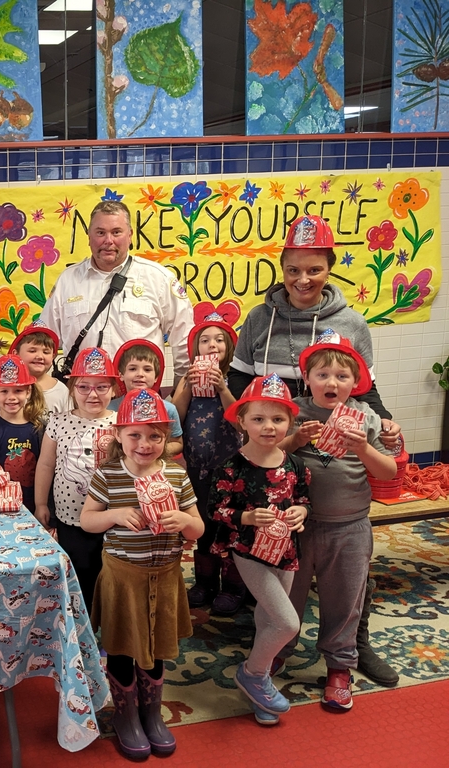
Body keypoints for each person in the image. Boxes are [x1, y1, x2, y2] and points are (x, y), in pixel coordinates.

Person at [228, 214, 401, 686]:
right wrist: (252, 437)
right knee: (282, 567)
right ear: (281, 268)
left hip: (342, 500)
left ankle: (350, 649)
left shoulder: (351, 322)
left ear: (330, 268)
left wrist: (382, 424)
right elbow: (240, 381)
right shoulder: (261, 318)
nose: (303, 280)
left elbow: (365, 390)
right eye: (293, 269)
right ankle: (273, 644)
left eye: (315, 269)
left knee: (347, 577)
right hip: (276, 456)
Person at [277, 332, 397, 710]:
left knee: (345, 600)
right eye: (323, 374)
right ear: (307, 377)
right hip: (297, 525)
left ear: (356, 382)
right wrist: (294, 441)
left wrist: (362, 446)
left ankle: (340, 666)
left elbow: (389, 470)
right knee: (285, 598)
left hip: (350, 526)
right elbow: (264, 455)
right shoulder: (293, 410)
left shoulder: (366, 416)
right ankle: (275, 651)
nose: (332, 383)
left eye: (342, 376)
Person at [79, 387, 201, 759]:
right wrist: (114, 515)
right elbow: (87, 520)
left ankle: (151, 714)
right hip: (122, 577)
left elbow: (198, 529)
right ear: (118, 434)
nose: (145, 444)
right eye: (135, 434)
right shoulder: (109, 475)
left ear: (166, 439)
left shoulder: (176, 476)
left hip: (165, 576)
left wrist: (183, 520)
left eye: (155, 436)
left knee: (156, 647)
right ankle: (126, 715)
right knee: (121, 646)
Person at [209, 374, 310, 726]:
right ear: (242, 421)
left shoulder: (294, 464)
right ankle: (252, 673)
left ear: (289, 422)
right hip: (249, 553)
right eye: (259, 419)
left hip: (286, 552)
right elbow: (217, 510)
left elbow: (301, 498)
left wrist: (302, 511)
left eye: (278, 419)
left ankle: (259, 688)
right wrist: (248, 516)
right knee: (287, 622)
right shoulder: (232, 467)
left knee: (268, 619)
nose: (269, 426)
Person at [41, 200, 195, 382]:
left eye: (116, 232)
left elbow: (184, 340)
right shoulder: (67, 281)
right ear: (89, 236)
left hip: (139, 398)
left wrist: (180, 392)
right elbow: (43, 340)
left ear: (130, 235)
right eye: (100, 233)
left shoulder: (158, 278)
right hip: (81, 398)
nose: (108, 241)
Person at [33, 347, 118, 610]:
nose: (92, 394)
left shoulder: (120, 424)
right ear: (72, 389)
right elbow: (46, 464)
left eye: (101, 387)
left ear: (114, 389)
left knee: (108, 572)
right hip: (70, 516)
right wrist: (41, 504)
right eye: (84, 387)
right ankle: (82, 627)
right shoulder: (58, 422)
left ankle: (107, 625)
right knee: (78, 571)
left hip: (110, 517)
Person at [171, 313, 245, 614]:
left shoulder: (235, 381)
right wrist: (187, 384)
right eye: (204, 340)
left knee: (228, 526)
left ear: (229, 346)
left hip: (228, 471)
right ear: (195, 349)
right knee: (202, 524)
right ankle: (204, 582)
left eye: (218, 339)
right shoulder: (185, 379)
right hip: (197, 471)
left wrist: (223, 389)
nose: (211, 344)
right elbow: (175, 416)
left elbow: (240, 421)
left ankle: (233, 587)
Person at [0, 355, 46, 513]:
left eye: (18, 390)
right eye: (4, 391)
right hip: (1, 508)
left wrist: (43, 505)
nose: (11, 397)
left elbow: (47, 469)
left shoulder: (41, 428)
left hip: (35, 505)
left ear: (28, 392)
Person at [109, 341, 183, 457]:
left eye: (147, 369)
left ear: (156, 377)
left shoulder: (168, 409)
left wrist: (153, 450)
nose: (140, 374)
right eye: (133, 369)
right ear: (121, 375)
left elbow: (177, 442)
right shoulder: (110, 409)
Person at [10, 321, 70, 414]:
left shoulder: (62, 391)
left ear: (53, 356)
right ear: (16, 354)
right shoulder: (6, 388)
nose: (40, 356)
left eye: (46, 352)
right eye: (32, 351)